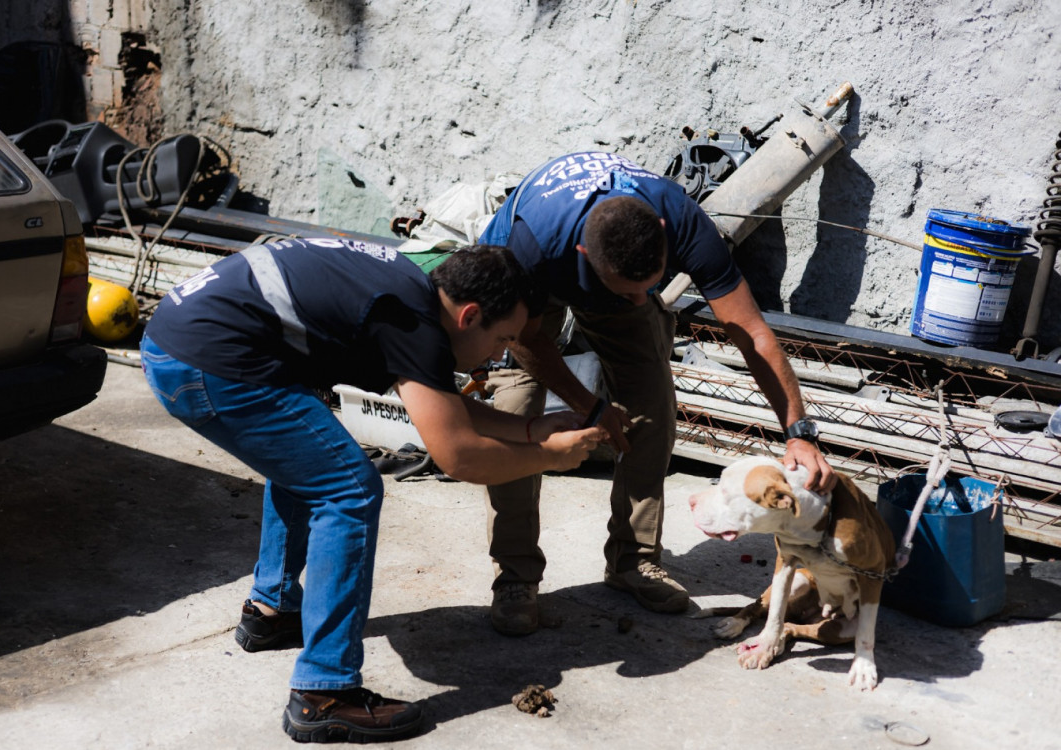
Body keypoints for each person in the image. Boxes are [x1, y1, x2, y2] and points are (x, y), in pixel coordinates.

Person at [139, 237, 604, 743]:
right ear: (470, 315)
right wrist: (550, 457)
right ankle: (324, 693)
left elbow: (445, 407)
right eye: (502, 340)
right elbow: (458, 455)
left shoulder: (417, 291)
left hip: (183, 341)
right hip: (209, 361)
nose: (497, 357)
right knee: (349, 488)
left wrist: (536, 428)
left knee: (309, 459)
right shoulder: (413, 323)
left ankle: (271, 610)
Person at [476, 151, 837, 636]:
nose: (637, 301)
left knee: (652, 405)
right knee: (516, 415)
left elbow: (752, 334)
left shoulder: (684, 222)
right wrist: (590, 406)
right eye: (627, 291)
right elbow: (524, 339)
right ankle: (515, 575)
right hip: (523, 286)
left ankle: (634, 560)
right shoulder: (531, 245)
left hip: (600, 268)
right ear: (587, 258)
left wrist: (800, 432)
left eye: (649, 287)